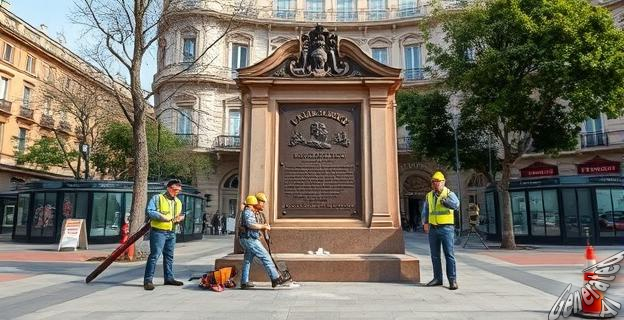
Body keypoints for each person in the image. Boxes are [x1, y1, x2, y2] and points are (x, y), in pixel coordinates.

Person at [238, 195, 290, 289]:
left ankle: (244, 282)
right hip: (250, 239)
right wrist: (263, 226)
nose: (259, 205)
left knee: (247, 260)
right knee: (266, 257)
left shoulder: (251, 212)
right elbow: (251, 224)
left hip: (247, 238)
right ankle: (276, 278)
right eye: (257, 203)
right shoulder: (248, 212)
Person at [143, 179, 185, 291]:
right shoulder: (157, 198)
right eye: (176, 190)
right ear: (169, 188)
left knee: (169, 256)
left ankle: (169, 278)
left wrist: (180, 218)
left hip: (171, 231)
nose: (177, 192)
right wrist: (162, 217)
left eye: (179, 190)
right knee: (154, 255)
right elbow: (150, 211)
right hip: (158, 231)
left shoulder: (178, 202)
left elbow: (179, 214)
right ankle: (148, 280)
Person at [422, 171, 460, 290]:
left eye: (438, 181)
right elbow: (425, 210)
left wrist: (446, 202)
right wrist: (425, 223)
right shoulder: (429, 195)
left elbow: (456, 205)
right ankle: (437, 278)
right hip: (433, 228)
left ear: (443, 182)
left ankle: (452, 280)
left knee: (449, 255)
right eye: (434, 182)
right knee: (435, 255)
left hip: (446, 228)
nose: (436, 184)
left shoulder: (449, 193)